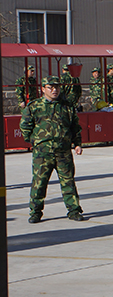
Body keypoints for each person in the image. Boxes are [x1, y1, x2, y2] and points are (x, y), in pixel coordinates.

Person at [20, 76, 86, 223]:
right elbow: (25, 126)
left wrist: (77, 143)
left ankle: (74, 210)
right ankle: (35, 212)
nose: (54, 90)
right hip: (42, 153)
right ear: (43, 89)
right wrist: (34, 141)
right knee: (39, 183)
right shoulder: (34, 106)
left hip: (63, 152)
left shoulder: (67, 106)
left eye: (56, 87)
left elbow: (75, 126)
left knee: (68, 182)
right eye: (50, 87)